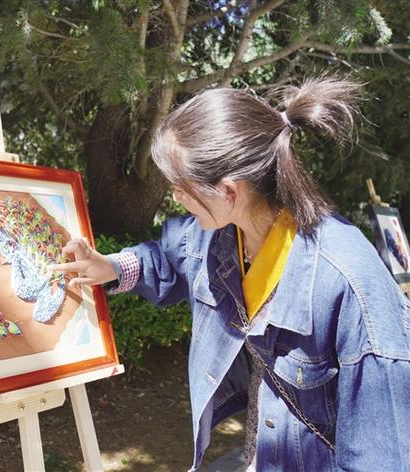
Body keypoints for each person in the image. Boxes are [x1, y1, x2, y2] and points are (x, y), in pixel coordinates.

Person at [50, 76, 410, 471]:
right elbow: (171, 256)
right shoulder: (224, 232)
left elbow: (382, 456)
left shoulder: (350, 281)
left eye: (182, 188)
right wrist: (110, 266)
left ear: (229, 191)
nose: (176, 198)